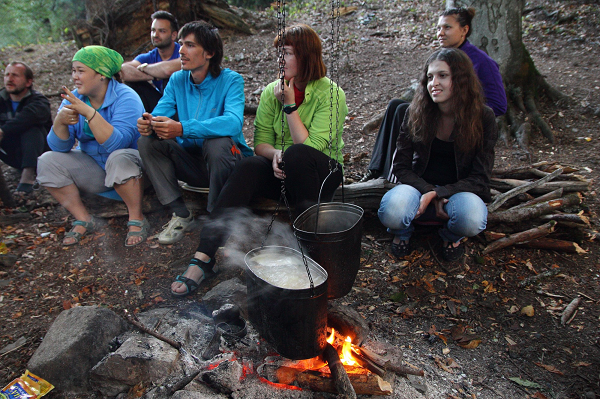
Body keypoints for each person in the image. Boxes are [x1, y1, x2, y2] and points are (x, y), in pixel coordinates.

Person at [170, 23, 348, 297]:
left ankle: (308, 252)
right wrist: (275, 154)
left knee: (298, 154)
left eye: (287, 53)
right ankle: (204, 256)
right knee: (249, 165)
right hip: (283, 170)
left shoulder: (331, 94)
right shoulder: (270, 92)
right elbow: (261, 144)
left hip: (320, 173)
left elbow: (310, 147)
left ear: (307, 56)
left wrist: (289, 107)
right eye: (279, 53)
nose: (280, 61)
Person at [360, 6, 506, 184]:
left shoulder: (482, 62)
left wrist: (464, 110)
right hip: (436, 114)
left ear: (464, 30)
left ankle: (391, 176)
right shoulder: (440, 58)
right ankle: (378, 170)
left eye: (447, 27)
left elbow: (499, 105)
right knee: (396, 106)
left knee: (401, 110)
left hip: (463, 124)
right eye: (438, 28)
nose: (440, 33)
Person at [137, 20, 252, 245]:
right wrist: (148, 123)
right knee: (147, 142)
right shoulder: (178, 80)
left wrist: (182, 128)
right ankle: (180, 213)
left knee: (217, 142)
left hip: (229, 165)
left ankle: (217, 218)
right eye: (180, 44)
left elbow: (234, 123)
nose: (180, 50)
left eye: (189, 45)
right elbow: (160, 112)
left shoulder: (231, 80)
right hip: (194, 164)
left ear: (209, 52)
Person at [377, 48, 498, 262]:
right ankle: (403, 233)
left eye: (443, 76)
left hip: (459, 190)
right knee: (392, 211)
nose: (434, 83)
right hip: (417, 186)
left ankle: (451, 236)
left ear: (461, 80)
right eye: (430, 77)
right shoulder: (415, 112)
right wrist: (428, 190)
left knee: (471, 219)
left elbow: (480, 178)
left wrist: (441, 192)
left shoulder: (483, 117)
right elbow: (400, 166)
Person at [37, 46, 147, 247]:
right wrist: (60, 122)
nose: (75, 77)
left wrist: (89, 113)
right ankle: (84, 219)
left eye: (81, 71)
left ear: (102, 75)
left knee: (118, 157)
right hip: (96, 170)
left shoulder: (126, 97)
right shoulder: (75, 98)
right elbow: (58, 148)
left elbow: (117, 143)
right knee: (47, 161)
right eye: (73, 71)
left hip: (133, 170)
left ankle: (137, 217)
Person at [0, 62, 52, 194]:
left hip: (41, 155)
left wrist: (3, 130)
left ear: (28, 82)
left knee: (32, 128)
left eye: (15, 75)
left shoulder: (39, 101)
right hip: (12, 153)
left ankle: (28, 176)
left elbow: (28, 117)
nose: (9, 79)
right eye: (7, 75)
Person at [121, 11, 181, 112]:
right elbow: (123, 70)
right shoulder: (149, 56)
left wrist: (145, 69)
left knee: (169, 80)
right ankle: (144, 121)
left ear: (173, 35)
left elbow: (167, 70)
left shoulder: (183, 52)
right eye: (153, 30)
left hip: (182, 104)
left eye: (162, 31)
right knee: (132, 82)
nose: (155, 35)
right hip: (160, 102)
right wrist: (152, 76)